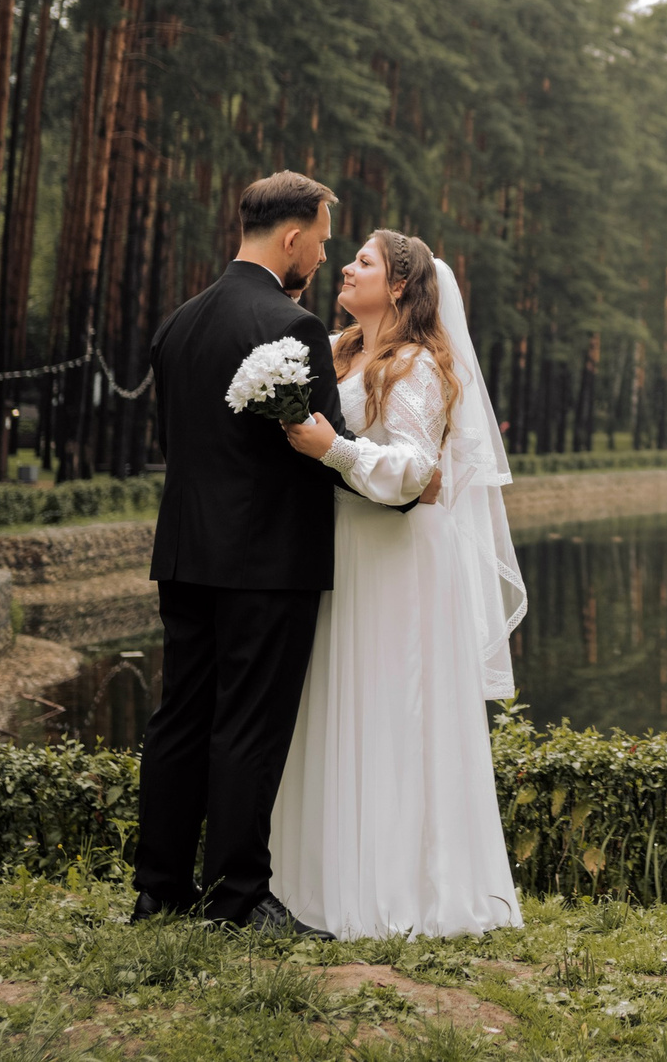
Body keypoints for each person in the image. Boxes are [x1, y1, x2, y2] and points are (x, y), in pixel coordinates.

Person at [274, 228, 526, 937]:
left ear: (400, 287)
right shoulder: (342, 349)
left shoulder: (415, 363)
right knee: (338, 700)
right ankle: (317, 880)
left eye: (364, 261)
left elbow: (415, 467)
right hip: (348, 551)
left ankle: (400, 890)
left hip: (396, 557)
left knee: (393, 704)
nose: (346, 268)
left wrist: (333, 447)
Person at [133, 171, 366, 934]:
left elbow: (184, 444)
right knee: (248, 727)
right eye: (322, 243)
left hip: (186, 552)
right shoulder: (289, 327)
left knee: (180, 719)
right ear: (291, 236)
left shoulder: (179, 321)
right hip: (266, 562)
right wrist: (394, 471)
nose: (323, 261)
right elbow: (322, 444)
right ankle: (237, 900)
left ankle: (159, 892)